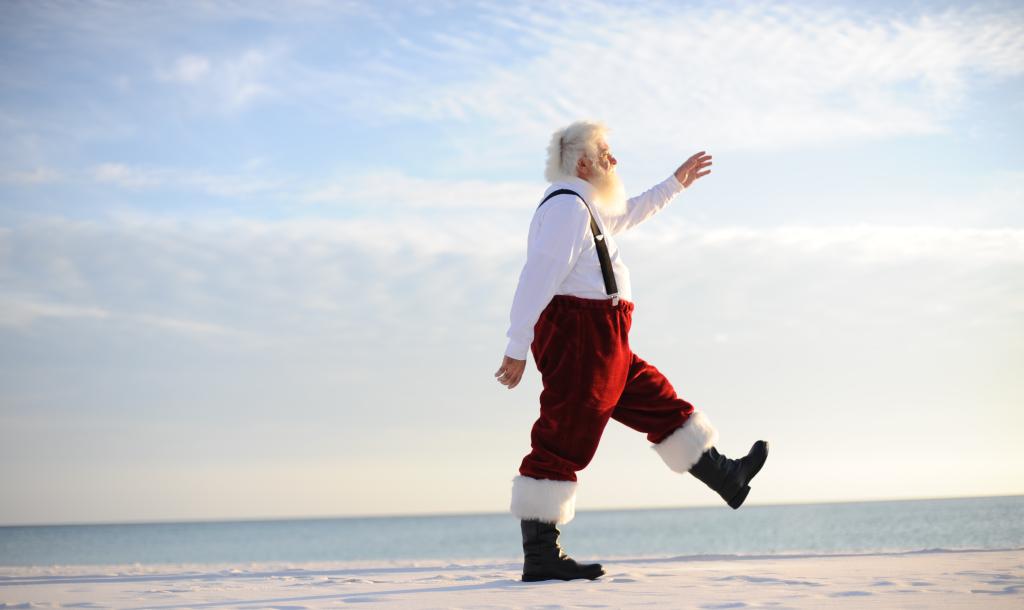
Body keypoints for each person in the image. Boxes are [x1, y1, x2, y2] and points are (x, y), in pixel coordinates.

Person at [494, 120, 768, 582]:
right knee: (565, 434)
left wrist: (676, 183)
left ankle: (727, 477)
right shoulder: (566, 209)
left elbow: (631, 212)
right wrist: (516, 346)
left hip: (604, 337)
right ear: (582, 162)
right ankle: (540, 554)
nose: (613, 161)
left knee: (657, 401)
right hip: (582, 337)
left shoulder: (584, 207)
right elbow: (538, 274)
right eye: (606, 153)